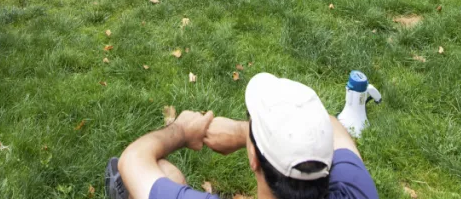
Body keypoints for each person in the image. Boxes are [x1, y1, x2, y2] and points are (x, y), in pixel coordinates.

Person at [105, 72, 379, 199]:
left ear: (253, 159)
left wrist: (183, 130)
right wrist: (247, 134)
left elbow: (132, 161)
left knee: (164, 172)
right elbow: (333, 127)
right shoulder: (356, 191)